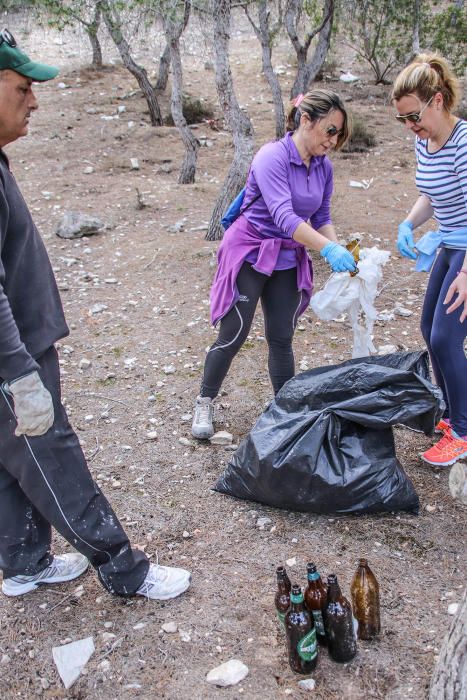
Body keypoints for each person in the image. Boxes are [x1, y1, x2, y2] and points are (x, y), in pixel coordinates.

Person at [0, 31, 191, 599]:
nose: (33, 101)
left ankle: (23, 563)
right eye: (21, 88)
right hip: (14, 358)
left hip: (14, 353)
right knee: (51, 455)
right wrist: (18, 373)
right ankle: (123, 568)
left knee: (9, 462)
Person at [192, 89, 356, 439]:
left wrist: (339, 246)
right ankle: (204, 400)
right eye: (330, 130)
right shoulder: (272, 157)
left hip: (286, 256)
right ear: (306, 120)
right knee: (234, 333)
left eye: (339, 133)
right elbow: (283, 216)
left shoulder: (323, 167)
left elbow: (321, 215)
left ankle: (285, 409)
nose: (334, 139)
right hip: (251, 250)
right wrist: (326, 249)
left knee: (281, 336)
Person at [392, 53, 467, 467]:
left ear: (437, 101)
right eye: (403, 120)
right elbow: (431, 195)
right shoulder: (426, 141)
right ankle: (453, 413)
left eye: (414, 116)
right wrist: (409, 222)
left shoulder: (463, 142)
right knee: (428, 327)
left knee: (446, 336)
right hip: (450, 244)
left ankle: (464, 432)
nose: (410, 127)